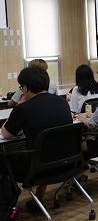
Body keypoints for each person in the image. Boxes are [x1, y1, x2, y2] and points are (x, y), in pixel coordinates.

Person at [0, 67, 72, 211]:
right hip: (67, 163)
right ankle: (38, 199)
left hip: (39, 167)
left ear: (25, 88)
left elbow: (5, 134)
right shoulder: (62, 102)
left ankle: (6, 208)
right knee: (44, 149)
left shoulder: (23, 109)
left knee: (2, 159)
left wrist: (18, 106)